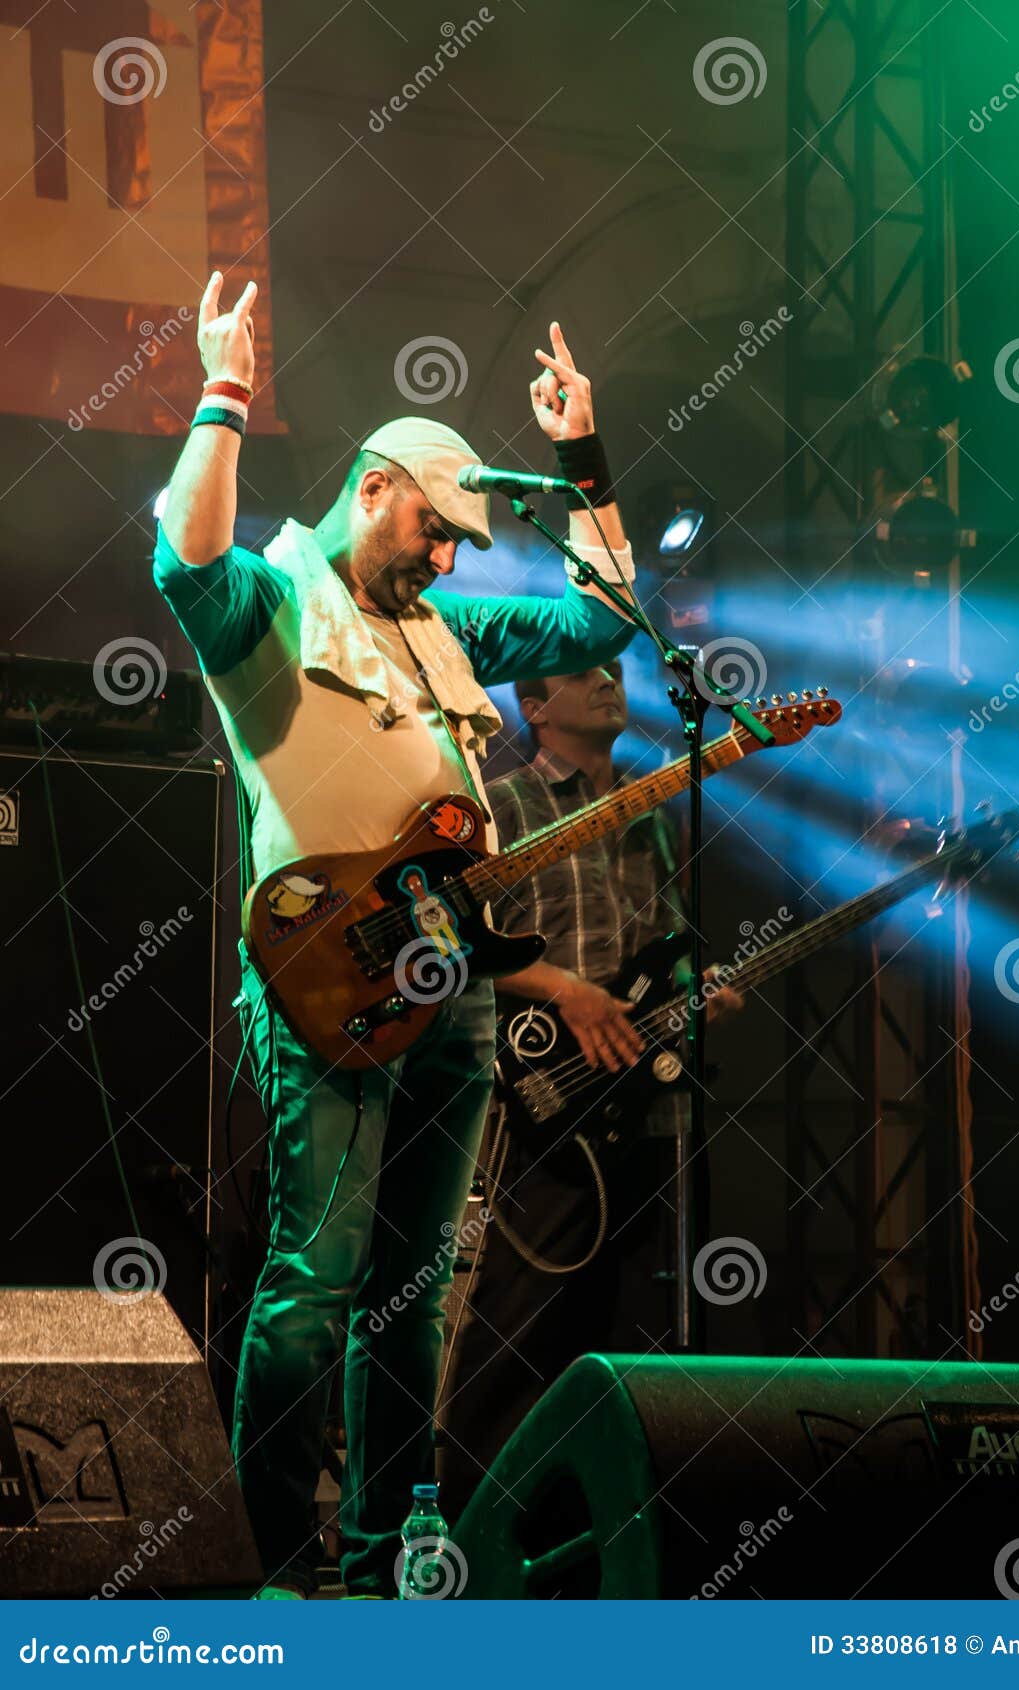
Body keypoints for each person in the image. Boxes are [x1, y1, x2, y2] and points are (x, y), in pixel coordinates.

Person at [153, 272, 640, 1598]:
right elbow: (182, 560)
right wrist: (224, 389)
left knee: (412, 1294)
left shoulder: (446, 629)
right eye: (432, 531)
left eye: (457, 546)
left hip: (451, 983)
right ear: (373, 489)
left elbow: (596, 620)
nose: (445, 561)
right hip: (326, 979)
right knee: (313, 1285)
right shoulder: (270, 599)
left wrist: (582, 458)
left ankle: (374, 1567)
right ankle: (268, 1571)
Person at [438, 658, 742, 1519]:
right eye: (583, 673)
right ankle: (475, 1532)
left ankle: (599, 1533)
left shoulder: (652, 808)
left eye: (614, 668)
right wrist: (564, 991)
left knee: (628, 1328)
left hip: (645, 1098)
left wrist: (696, 987)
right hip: (545, 1100)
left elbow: (667, 939)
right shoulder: (504, 807)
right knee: (520, 1326)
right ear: (534, 708)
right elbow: (445, 944)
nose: (609, 680)